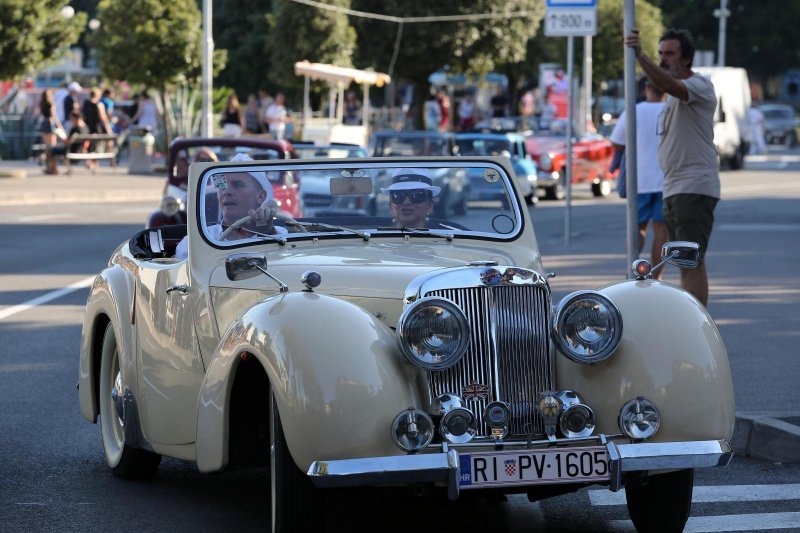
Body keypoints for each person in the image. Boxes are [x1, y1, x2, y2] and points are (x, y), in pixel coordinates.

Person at [626, 28, 719, 306]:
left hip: (693, 186)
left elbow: (669, 85)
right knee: (682, 259)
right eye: (661, 53)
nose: (664, 59)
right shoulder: (671, 98)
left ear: (687, 58)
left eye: (670, 54)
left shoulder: (699, 86)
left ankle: (697, 327)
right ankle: (691, 321)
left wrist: (639, 55)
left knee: (691, 260)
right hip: (674, 187)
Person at [609, 80, 668, 278]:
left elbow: (617, 142)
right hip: (666, 179)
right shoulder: (671, 110)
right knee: (661, 229)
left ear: (646, 89)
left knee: (637, 228)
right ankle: (657, 276)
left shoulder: (633, 111)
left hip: (638, 179)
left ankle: (632, 272)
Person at [174, 153, 285, 259]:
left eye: (237, 185)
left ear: (260, 196)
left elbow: (283, 267)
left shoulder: (280, 235)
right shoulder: (193, 243)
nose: (226, 192)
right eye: (222, 185)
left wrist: (268, 235)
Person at [38, 89, 67, 175]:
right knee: (53, 148)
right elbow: (54, 116)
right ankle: (53, 167)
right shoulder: (51, 104)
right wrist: (60, 126)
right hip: (50, 124)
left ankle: (49, 167)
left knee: (47, 148)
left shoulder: (42, 104)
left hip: (44, 124)